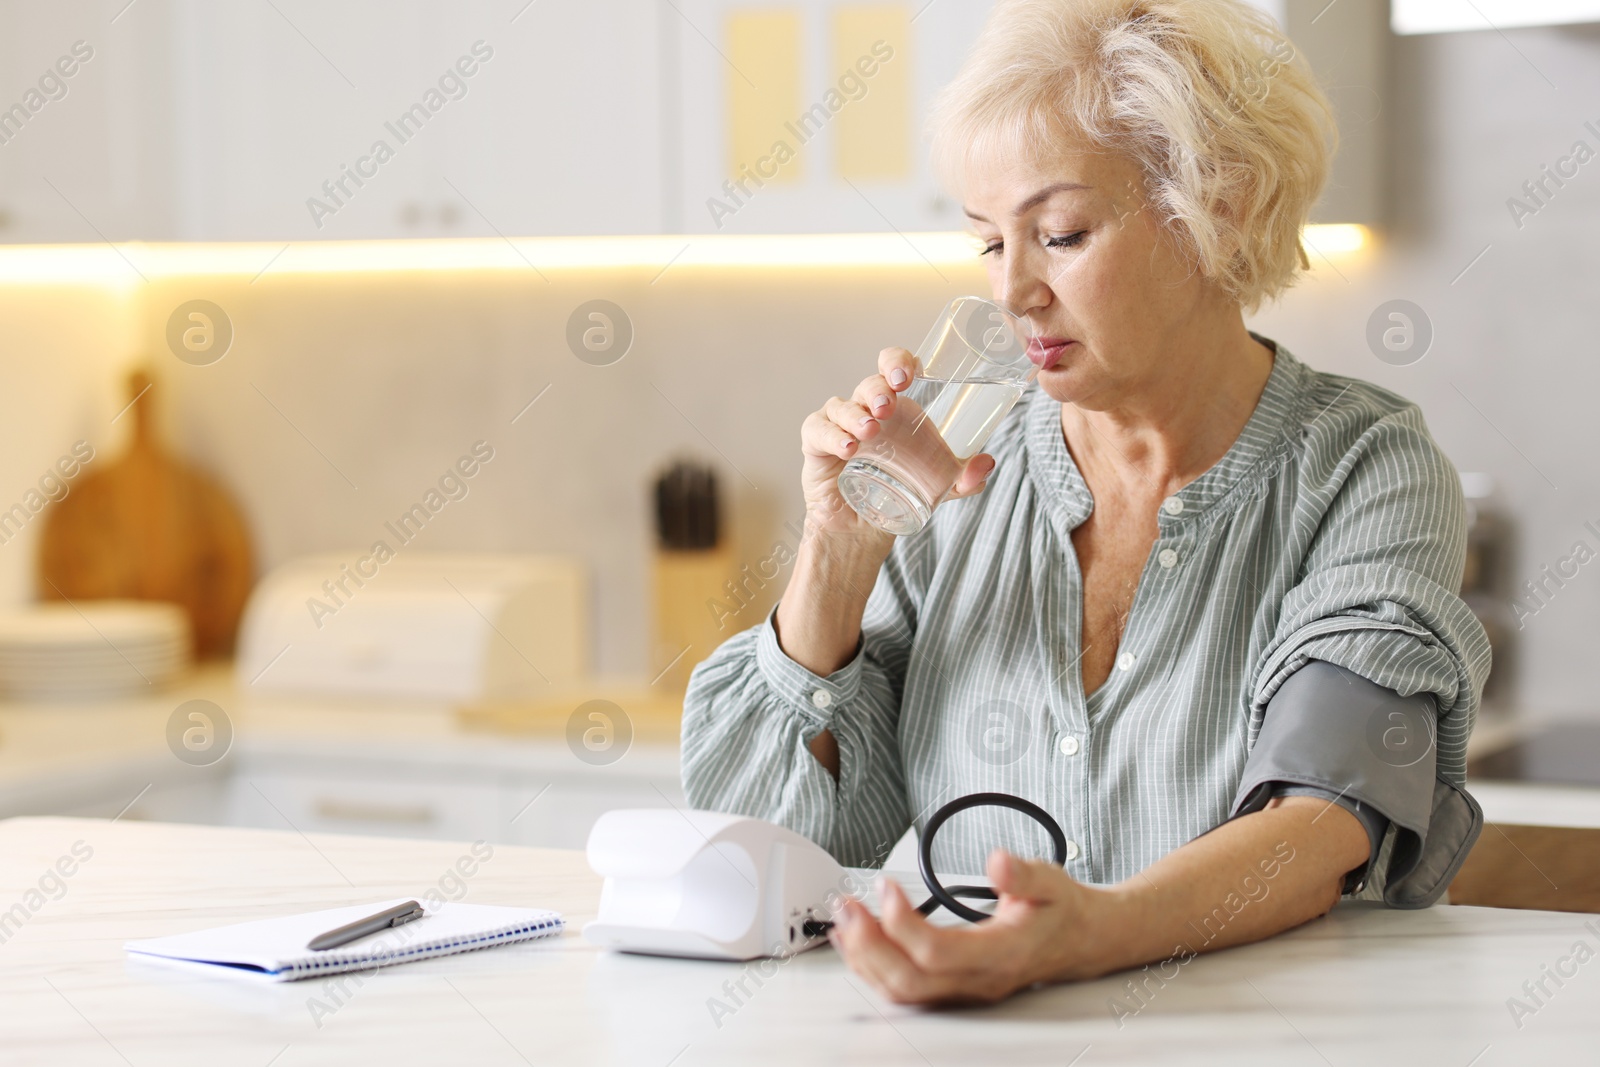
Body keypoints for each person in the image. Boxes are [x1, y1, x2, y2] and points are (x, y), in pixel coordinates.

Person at [682, 0, 1490, 1005]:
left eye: (1058, 233)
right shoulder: (954, 475)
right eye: (987, 242)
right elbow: (763, 845)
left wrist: (1084, 936)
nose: (1012, 289)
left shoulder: (1364, 466)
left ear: (1218, 209)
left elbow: (1324, 819)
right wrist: (839, 555)